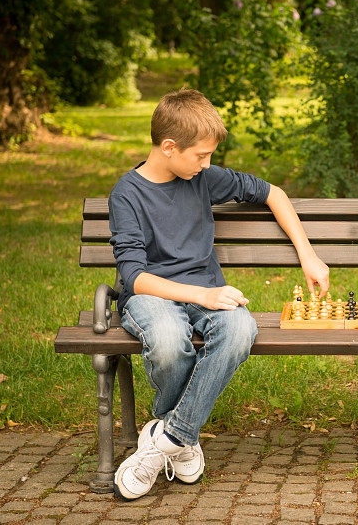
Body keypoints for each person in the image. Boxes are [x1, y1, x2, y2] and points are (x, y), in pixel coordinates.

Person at [108, 88, 329, 500]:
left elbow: (272, 193)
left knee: (240, 329)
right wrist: (204, 295)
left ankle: (166, 439)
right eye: (202, 155)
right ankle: (183, 438)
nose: (208, 164)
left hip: (206, 292)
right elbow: (134, 277)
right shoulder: (126, 195)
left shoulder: (200, 178)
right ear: (170, 147)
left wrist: (309, 257)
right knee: (170, 343)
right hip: (151, 297)